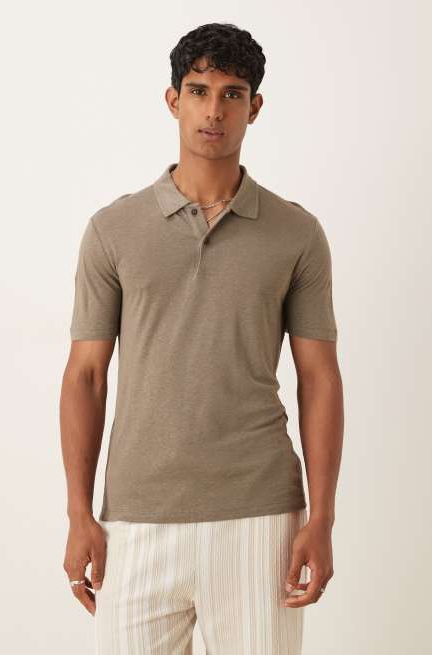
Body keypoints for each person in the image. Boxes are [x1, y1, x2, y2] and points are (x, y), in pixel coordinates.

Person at [59, 21, 344, 654]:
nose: (214, 110)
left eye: (232, 94)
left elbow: (320, 378)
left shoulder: (296, 233)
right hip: (136, 517)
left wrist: (322, 518)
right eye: (198, 91)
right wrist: (80, 512)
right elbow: (86, 376)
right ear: (173, 100)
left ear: (254, 107)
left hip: (261, 516)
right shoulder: (113, 229)